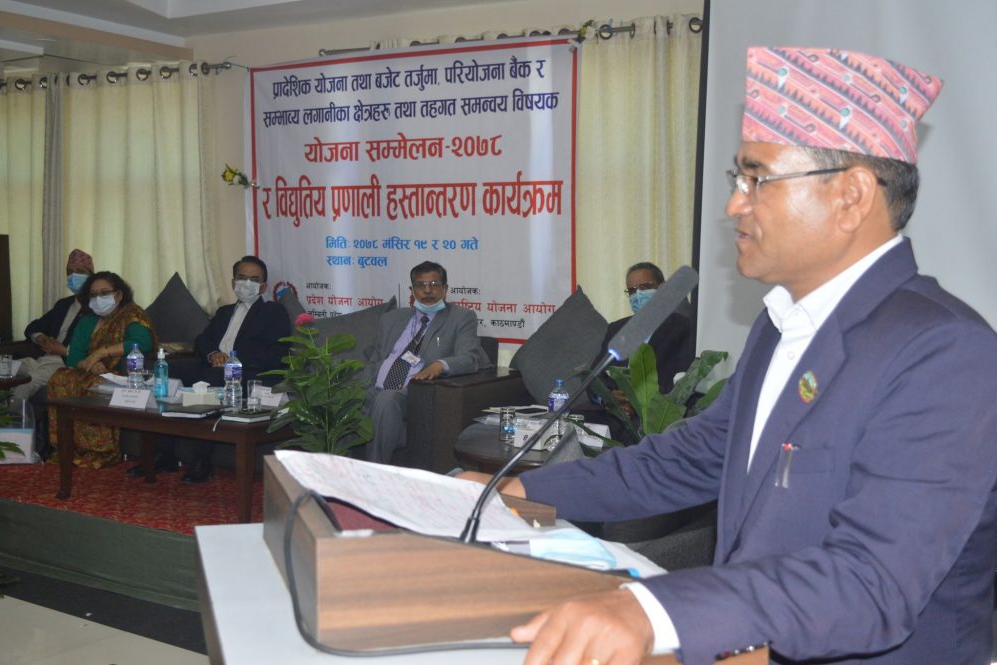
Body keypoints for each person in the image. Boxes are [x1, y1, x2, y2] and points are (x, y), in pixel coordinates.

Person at [464, 47, 997, 665]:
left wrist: (654, 611)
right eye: (736, 181)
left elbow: (870, 584)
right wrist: (519, 489)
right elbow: (692, 458)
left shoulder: (944, 352)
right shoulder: (781, 326)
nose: (734, 206)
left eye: (757, 179)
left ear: (851, 196)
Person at [147, 255, 290, 483]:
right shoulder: (224, 312)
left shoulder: (273, 313)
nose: (247, 284)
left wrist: (232, 361)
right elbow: (202, 340)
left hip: (247, 374)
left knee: (211, 379)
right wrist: (214, 354)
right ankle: (165, 453)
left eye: (254, 280)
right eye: (242, 277)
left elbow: (276, 353)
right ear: (233, 282)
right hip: (212, 366)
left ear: (263, 287)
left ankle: (202, 460)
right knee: (168, 371)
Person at [363, 261, 489, 464]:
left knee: (386, 400)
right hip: (374, 388)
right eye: (420, 285)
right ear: (412, 290)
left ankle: (373, 470)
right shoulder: (391, 319)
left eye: (434, 284)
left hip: (409, 393)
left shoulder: (461, 318)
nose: (427, 290)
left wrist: (440, 365)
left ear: (445, 288)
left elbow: (470, 358)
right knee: (337, 400)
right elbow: (376, 359)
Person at [47, 271, 157, 469]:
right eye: (93, 294)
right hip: (89, 371)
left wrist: (102, 352)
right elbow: (74, 357)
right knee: (59, 379)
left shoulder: (132, 315)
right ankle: (67, 447)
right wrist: (88, 364)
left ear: (119, 295)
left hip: (120, 374)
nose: (98, 298)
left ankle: (100, 450)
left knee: (95, 385)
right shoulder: (87, 321)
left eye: (104, 293)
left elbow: (143, 343)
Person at [583, 261, 694, 443]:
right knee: (572, 423)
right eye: (632, 291)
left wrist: (636, 402)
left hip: (651, 418)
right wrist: (609, 399)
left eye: (644, 287)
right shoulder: (617, 329)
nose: (638, 295)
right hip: (613, 413)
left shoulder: (683, 328)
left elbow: (681, 381)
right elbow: (594, 377)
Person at [13, 249, 95, 401]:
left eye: (79, 272)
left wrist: (63, 350)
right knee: (4, 372)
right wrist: (41, 338)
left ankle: (13, 417)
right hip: (42, 359)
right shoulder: (63, 304)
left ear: (91, 276)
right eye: (70, 272)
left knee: (24, 383)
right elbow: (33, 327)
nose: (73, 276)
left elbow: (93, 350)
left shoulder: (97, 310)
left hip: (65, 365)